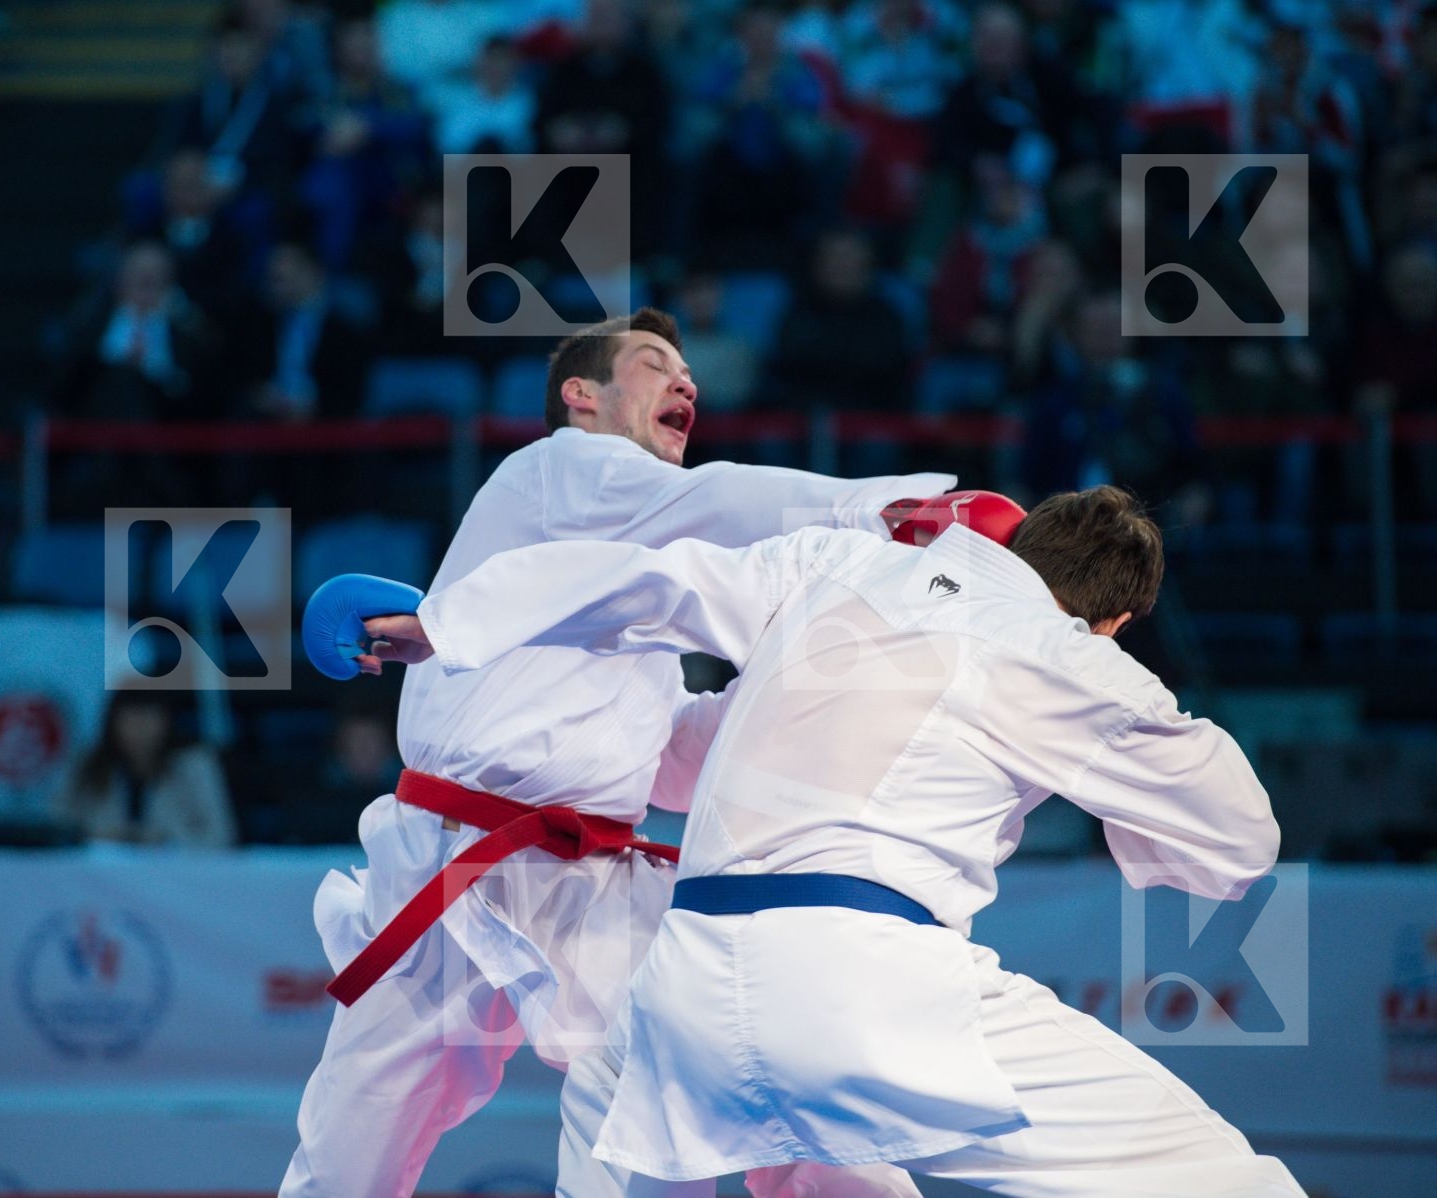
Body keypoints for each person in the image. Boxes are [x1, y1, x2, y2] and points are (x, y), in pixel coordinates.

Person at [363, 485, 1303, 1198]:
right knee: (1217, 1175)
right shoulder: (1076, 661)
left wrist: (445, 625)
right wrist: (1125, 741)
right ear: (1118, 620)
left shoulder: (835, 562)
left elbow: (651, 577)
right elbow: (1240, 843)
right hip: (871, 990)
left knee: (619, 1109)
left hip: (682, 990)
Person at [281, 307, 957, 1198]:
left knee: (748, 1070)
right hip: (450, 860)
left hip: (591, 878)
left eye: (688, 372)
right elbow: (717, 502)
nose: (687, 383)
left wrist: (793, 691)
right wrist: (881, 514)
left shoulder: (633, 582)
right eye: (653, 365)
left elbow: (669, 762)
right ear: (583, 396)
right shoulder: (558, 467)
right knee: (358, 1135)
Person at [55, 688, 234, 848]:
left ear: (166, 721)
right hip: (102, 874)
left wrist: (166, 840)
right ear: (112, 722)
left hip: (174, 874)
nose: (140, 729)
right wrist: (93, 836)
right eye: (130, 719)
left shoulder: (194, 765)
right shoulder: (87, 765)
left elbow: (221, 837)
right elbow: (58, 826)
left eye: (148, 718)